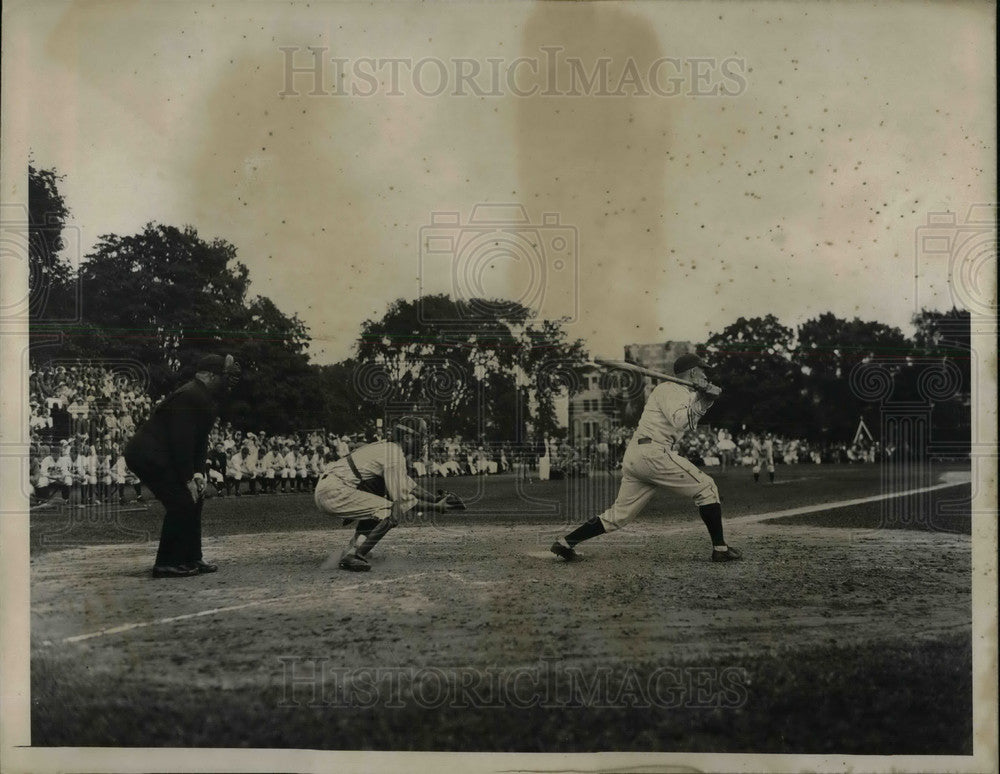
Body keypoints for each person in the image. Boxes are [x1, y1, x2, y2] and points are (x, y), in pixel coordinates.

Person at [551, 354, 742, 563]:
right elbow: (679, 421)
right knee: (707, 488)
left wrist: (706, 400)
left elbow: (689, 417)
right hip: (653, 452)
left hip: (639, 454)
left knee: (619, 515)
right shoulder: (671, 389)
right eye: (703, 370)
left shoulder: (682, 392)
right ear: (693, 372)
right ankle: (720, 549)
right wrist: (705, 400)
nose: (706, 374)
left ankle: (566, 542)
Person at [124, 354, 241, 578]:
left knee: (194, 499)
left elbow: (199, 442)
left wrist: (197, 474)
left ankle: (191, 556)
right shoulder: (190, 395)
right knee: (182, 501)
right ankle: (166, 563)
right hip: (147, 454)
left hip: (161, 454)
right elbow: (182, 440)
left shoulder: (203, 397)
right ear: (207, 375)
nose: (226, 380)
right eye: (221, 375)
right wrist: (187, 478)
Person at [314, 416, 455, 573]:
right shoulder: (394, 455)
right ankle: (353, 556)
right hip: (336, 491)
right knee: (391, 511)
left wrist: (435, 498)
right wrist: (436, 507)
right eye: (419, 438)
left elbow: (408, 485)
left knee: (379, 502)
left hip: (331, 488)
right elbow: (403, 501)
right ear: (407, 438)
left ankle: (354, 548)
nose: (422, 443)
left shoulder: (389, 449)